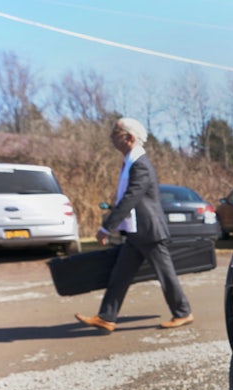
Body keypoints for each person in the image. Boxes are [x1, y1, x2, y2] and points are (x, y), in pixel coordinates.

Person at [75, 118, 193, 334]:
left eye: (115, 133)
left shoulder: (140, 165)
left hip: (148, 232)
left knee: (166, 275)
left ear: (129, 138)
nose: (111, 137)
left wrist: (106, 227)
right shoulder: (132, 162)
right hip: (137, 232)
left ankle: (183, 312)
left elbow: (130, 198)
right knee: (119, 276)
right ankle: (106, 317)